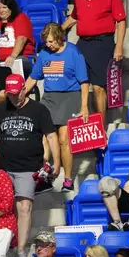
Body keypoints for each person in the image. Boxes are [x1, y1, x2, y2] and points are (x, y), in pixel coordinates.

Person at [0, 73, 60, 257]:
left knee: (24, 206)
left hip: (28, 167)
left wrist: (57, 162)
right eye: (9, 94)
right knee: (1, 205)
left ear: (24, 90)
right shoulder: (1, 109)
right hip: (3, 167)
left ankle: (21, 247)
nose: (13, 97)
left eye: (16, 93)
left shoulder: (39, 110)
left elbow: (51, 136)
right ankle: (1, 244)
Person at [22, 22, 90, 191]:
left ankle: (67, 178)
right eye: (47, 42)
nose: (49, 45)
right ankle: (46, 172)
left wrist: (84, 106)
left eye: (52, 41)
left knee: (63, 139)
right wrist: (20, 94)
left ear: (60, 38)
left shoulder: (74, 52)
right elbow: (33, 77)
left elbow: (84, 82)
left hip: (70, 97)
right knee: (42, 134)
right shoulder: (44, 53)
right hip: (50, 98)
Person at [62, 0, 126, 124]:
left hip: (103, 43)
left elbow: (121, 20)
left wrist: (119, 46)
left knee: (98, 87)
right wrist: (59, 30)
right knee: (78, 81)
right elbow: (74, 16)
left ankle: (101, 127)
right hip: (83, 42)